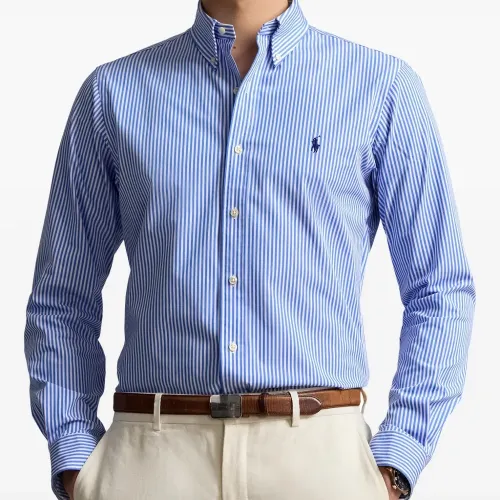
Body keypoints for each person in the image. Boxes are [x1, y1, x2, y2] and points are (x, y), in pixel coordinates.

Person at [23, 0, 476, 499]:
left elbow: (440, 288)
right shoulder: (113, 93)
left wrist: (396, 461)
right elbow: (62, 296)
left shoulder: (381, 87)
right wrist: (76, 458)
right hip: (152, 457)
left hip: (320, 460)